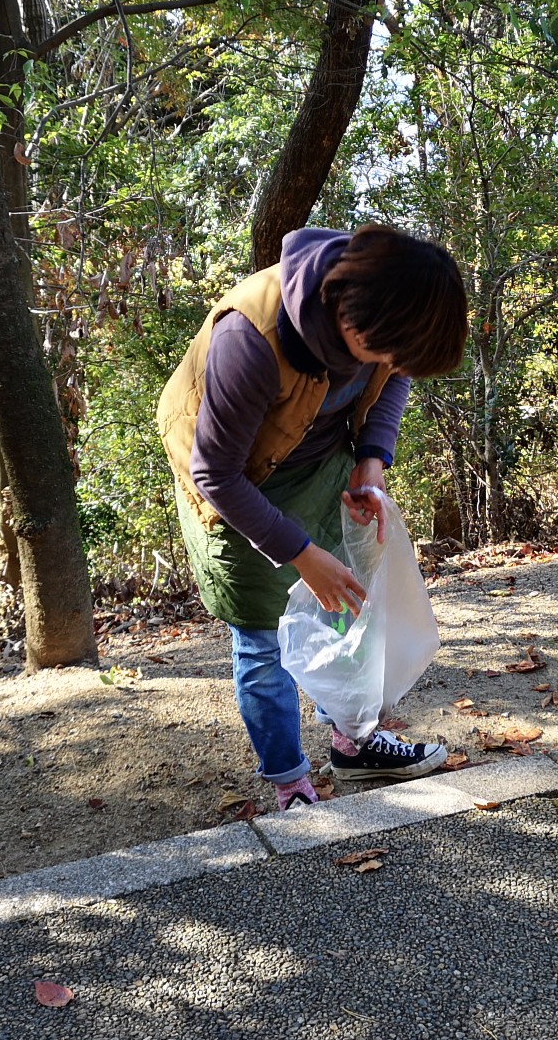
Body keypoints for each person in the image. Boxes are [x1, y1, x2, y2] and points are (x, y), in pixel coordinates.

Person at [159, 225, 468, 810]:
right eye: (388, 350)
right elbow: (215, 474)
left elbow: (394, 375)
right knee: (262, 639)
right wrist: (301, 554)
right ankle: (289, 782)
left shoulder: (381, 312)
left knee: (343, 612)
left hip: (320, 461)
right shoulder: (250, 339)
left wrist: (371, 462)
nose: (394, 364)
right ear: (351, 324)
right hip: (235, 486)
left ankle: (353, 744)